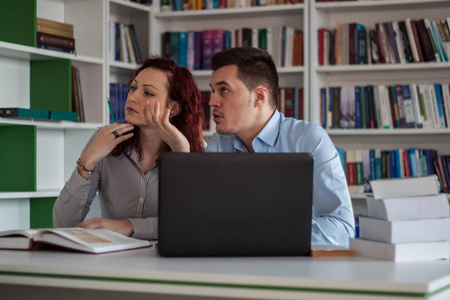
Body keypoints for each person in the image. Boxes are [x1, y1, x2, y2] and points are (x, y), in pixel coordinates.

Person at [206, 47, 355, 246]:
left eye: (224, 90)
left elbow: (342, 226)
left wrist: (266, 239)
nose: (212, 101)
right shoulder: (218, 144)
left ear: (260, 96)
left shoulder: (308, 140)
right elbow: (205, 219)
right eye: (213, 90)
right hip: (233, 264)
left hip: (296, 268)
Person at [53, 56, 205, 240]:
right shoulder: (105, 141)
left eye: (148, 93)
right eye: (133, 88)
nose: (132, 97)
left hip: (171, 263)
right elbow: (63, 225)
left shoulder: (196, 152)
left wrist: (129, 226)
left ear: (173, 107)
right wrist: (88, 160)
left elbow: (193, 223)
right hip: (114, 261)